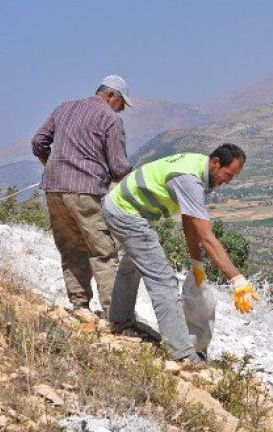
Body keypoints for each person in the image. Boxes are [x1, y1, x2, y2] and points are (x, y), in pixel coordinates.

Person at [103, 144, 259, 365]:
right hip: (126, 212)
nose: (228, 181)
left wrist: (196, 263)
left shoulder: (199, 168)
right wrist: (237, 279)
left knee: (133, 265)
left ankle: (119, 320)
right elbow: (206, 237)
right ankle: (182, 353)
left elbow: (190, 221)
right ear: (215, 162)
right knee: (163, 280)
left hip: (123, 206)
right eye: (228, 174)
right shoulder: (190, 179)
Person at [31, 75, 133, 317]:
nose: (122, 110)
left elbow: (38, 141)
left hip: (54, 189)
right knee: (104, 252)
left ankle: (80, 306)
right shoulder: (110, 118)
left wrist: (51, 165)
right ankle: (114, 314)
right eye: (122, 104)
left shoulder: (64, 108)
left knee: (71, 247)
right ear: (111, 96)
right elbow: (118, 167)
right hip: (86, 191)